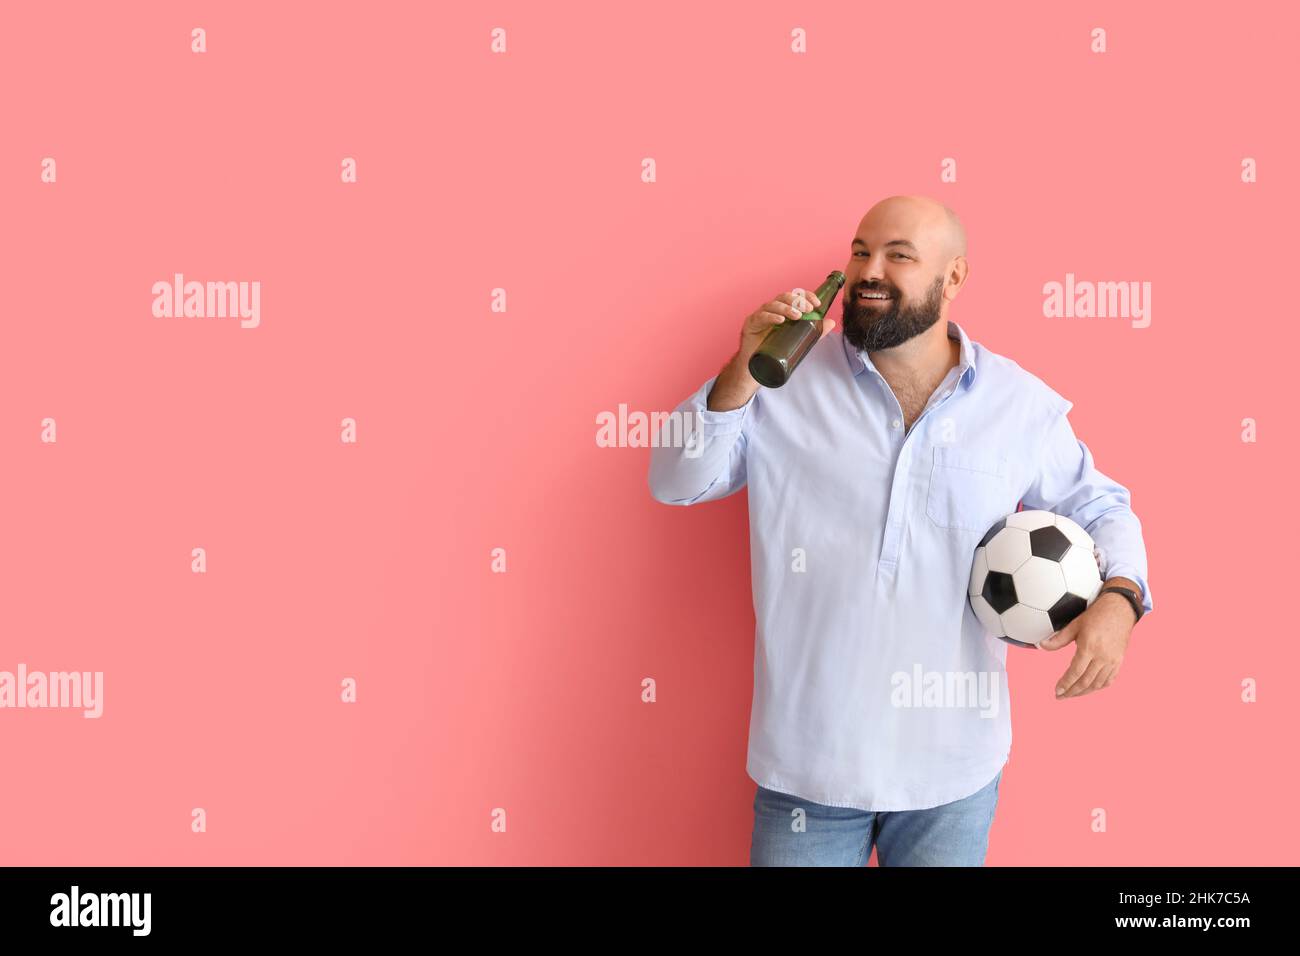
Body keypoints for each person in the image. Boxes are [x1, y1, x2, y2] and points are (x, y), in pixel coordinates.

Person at [647, 195, 1153, 866]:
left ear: (954, 279)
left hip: (952, 773)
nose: (869, 271)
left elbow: (1103, 508)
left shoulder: (1018, 404)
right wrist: (742, 365)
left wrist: (1118, 601)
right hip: (807, 767)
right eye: (860, 251)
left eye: (899, 256)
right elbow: (676, 480)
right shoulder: (784, 380)